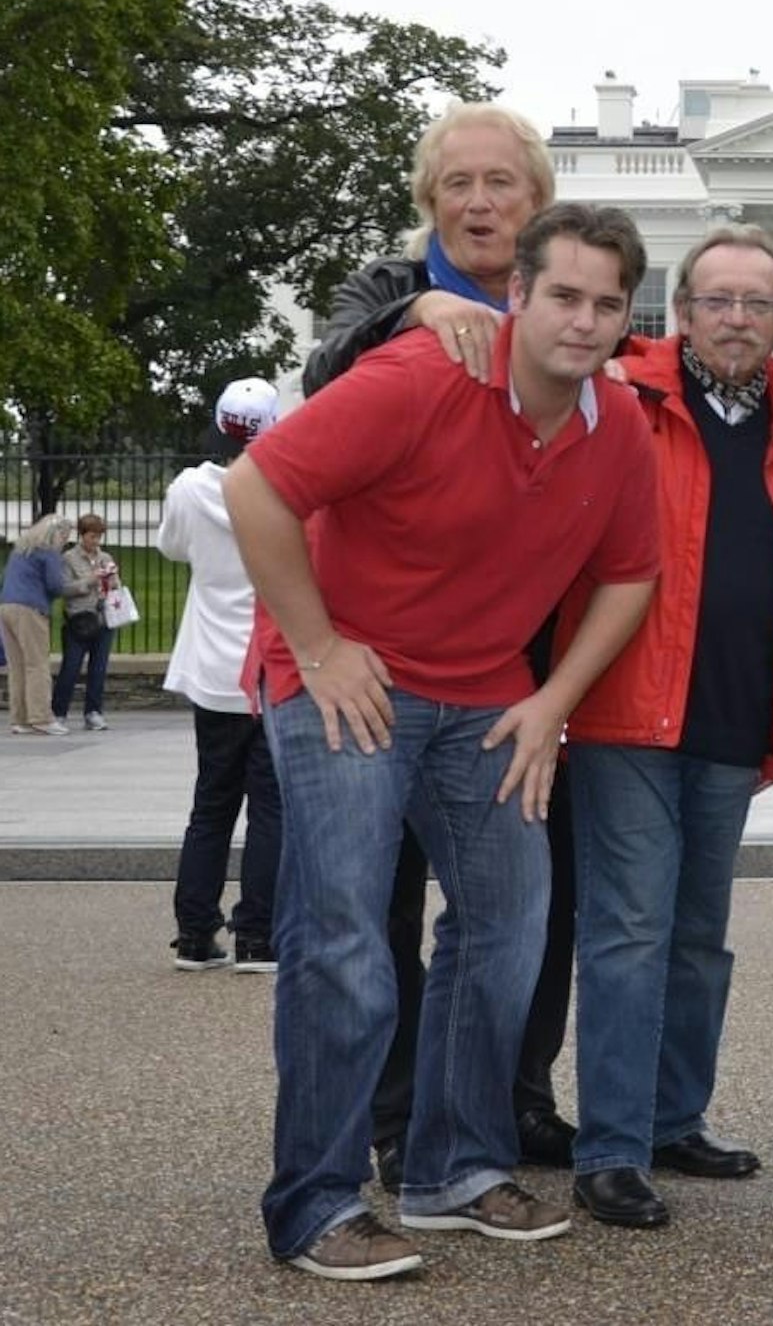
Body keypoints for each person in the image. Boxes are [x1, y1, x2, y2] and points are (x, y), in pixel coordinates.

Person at [227, 202, 660, 1282]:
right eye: (563, 294)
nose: (585, 321)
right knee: (344, 946)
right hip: (347, 680)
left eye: (608, 304)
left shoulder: (621, 424)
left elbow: (632, 573)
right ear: (516, 294)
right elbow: (257, 485)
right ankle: (316, 1201)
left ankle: (452, 1171)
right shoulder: (424, 375)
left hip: (486, 697)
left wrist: (553, 700)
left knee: (509, 930)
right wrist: (319, 645)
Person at [306, 103, 583, 1186]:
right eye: (457, 184)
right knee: (382, 901)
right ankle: (396, 1115)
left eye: (500, 184)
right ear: (430, 201)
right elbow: (319, 381)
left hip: (516, 660)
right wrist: (411, 312)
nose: (478, 203)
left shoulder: (557, 293)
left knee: (524, 898)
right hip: (384, 656)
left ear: (535, 199)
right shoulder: (387, 287)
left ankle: (515, 1095)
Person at [563, 224, 773, 1231]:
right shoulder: (625, 395)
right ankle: (614, 1149)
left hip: (731, 710)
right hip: (627, 705)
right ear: (680, 312)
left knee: (698, 937)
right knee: (629, 929)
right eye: (715, 300)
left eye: (756, 304)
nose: (734, 319)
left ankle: (674, 1119)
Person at [157, 380, 286, 972]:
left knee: (210, 804)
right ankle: (257, 935)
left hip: (212, 666)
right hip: (266, 664)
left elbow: (172, 549)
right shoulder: (284, 486)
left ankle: (193, 933)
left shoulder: (190, 487)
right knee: (270, 808)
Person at [2, 515, 74, 736]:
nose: (65, 541)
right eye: (66, 537)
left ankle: (20, 718)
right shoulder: (49, 552)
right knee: (37, 664)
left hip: (6, 606)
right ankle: (41, 718)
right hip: (30, 609)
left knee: (17, 666)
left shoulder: (21, 550)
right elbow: (55, 585)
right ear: (58, 534)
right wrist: (82, 584)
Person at [52, 513, 119, 731]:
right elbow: (63, 588)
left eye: (99, 537)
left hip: (103, 618)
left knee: (98, 668)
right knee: (70, 668)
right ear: (82, 535)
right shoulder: (69, 558)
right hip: (79, 620)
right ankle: (59, 712)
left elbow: (116, 586)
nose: (96, 541)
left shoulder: (105, 557)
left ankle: (93, 712)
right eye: (92, 536)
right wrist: (91, 580)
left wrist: (111, 579)